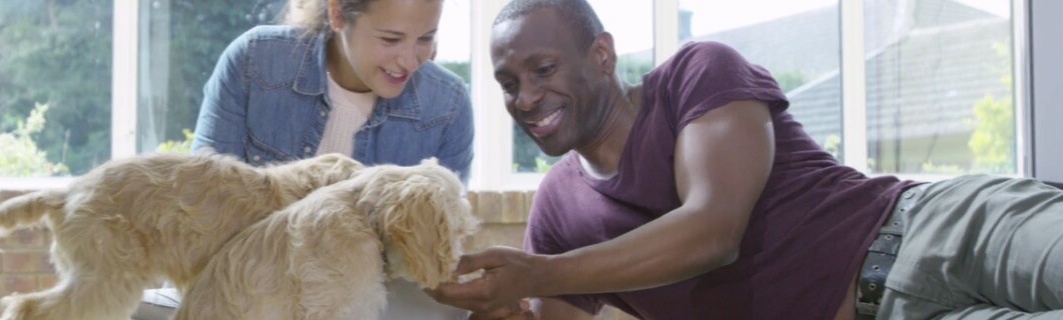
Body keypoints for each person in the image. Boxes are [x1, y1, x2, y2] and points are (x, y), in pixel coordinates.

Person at [427, 0, 1063, 319]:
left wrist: (538, 276)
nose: (527, 97)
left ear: (601, 55)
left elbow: (713, 230)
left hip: (942, 228)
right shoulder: (557, 219)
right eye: (508, 84)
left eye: (542, 69)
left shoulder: (695, 74)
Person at [132, 0, 474, 319]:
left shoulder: (448, 106)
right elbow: (201, 216)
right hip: (242, 295)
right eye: (391, 38)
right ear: (337, 12)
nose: (411, 60)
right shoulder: (256, 61)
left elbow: (434, 256)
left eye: (426, 38)